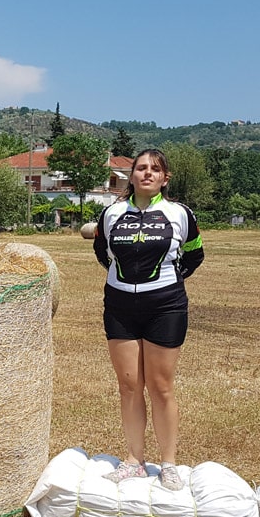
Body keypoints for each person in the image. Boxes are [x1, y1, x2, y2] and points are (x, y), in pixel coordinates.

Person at [92, 149, 204, 490]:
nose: (147, 173)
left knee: (161, 387)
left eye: (155, 169)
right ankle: (134, 460)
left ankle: (168, 463)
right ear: (132, 175)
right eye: (141, 168)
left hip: (165, 308)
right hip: (120, 307)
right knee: (128, 387)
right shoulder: (111, 214)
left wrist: (165, 284)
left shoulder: (180, 213)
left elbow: (195, 254)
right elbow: (102, 252)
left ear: (164, 178)